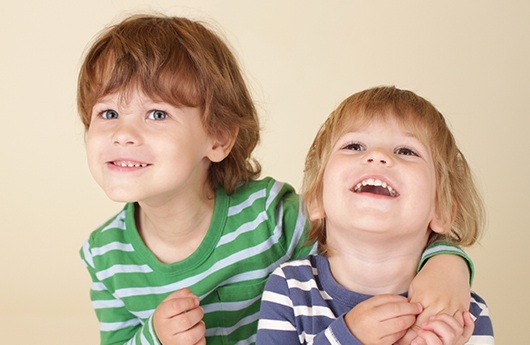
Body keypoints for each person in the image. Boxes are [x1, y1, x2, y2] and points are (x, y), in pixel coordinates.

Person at [78, 15, 476, 345]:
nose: (123, 134)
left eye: (157, 114)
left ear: (218, 138)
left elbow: (367, 234)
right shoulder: (103, 255)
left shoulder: (268, 215)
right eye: (108, 113)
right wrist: (155, 337)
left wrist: (447, 265)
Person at [256, 86, 494, 345]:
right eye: (354, 146)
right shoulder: (290, 289)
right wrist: (347, 337)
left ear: (443, 210)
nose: (377, 155)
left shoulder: (463, 314)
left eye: (406, 151)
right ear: (315, 199)